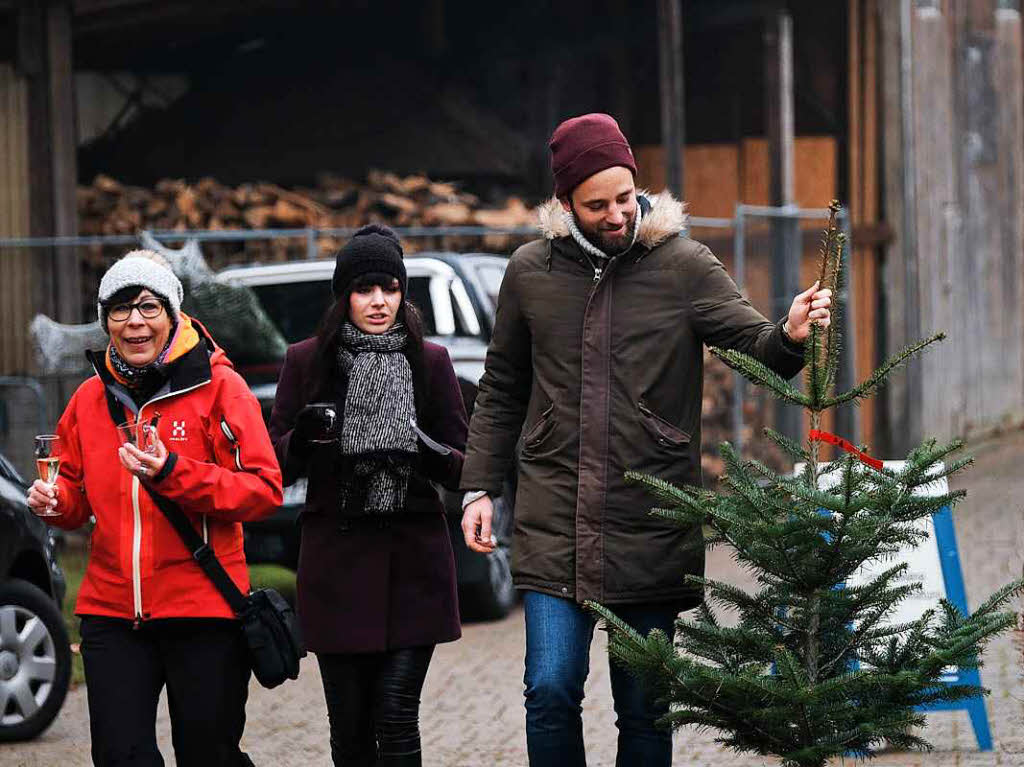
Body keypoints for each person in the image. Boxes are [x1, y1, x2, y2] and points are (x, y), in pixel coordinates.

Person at [459, 113, 833, 767]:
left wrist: (793, 331)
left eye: (624, 198)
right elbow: (501, 387)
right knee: (548, 689)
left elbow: (758, 346)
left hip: (649, 519)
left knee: (644, 708)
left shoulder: (683, 264)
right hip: (554, 518)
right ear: (566, 203)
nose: (615, 214)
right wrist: (478, 487)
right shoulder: (530, 272)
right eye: (596, 204)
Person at [26, 250, 283, 766]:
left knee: (208, 755)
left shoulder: (220, 388)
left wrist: (172, 473)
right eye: (119, 310)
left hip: (204, 609)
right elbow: (75, 500)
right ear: (105, 322)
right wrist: (55, 503)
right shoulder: (88, 400)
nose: (135, 322)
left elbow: (262, 491)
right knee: (121, 757)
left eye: (147, 307)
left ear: (173, 314)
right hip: (112, 613)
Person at [268, 224, 467, 767]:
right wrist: (304, 438)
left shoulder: (430, 362)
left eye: (391, 288)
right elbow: (271, 467)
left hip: (414, 565)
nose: (379, 302)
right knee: (350, 730)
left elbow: (464, 467)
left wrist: (424, 448)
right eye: (364, 289)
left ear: (404, 293)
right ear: (344, 296)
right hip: (336, 566)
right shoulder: (307, 362)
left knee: (398, 715)